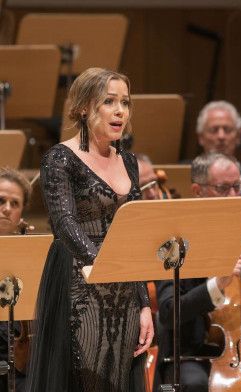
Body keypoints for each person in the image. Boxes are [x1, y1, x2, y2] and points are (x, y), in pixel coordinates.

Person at [28, 67, 154, 392]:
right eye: (109, 101)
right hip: (77, 279)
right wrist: (106, 266)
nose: (120, 111)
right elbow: (64, 225)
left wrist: (144, 305)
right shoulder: (60, 159)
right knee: (85, 381)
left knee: (118, 379)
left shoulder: (128, 161)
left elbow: (135, 234)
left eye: (125, 102)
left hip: (122, 285)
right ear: (84, 107)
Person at [155, 152, 241, 391]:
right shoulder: (174, 241)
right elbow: (168, 312)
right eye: (222, 188)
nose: (233, 196)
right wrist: (216, 285)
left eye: (237, 187)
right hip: (194, 355)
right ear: (197, 191)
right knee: (196, 385)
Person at [0, 167, 31, 392]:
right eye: (1, 201)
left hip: (19, 361)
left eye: (15, 204)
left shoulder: (31, 255)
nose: (7, 209)